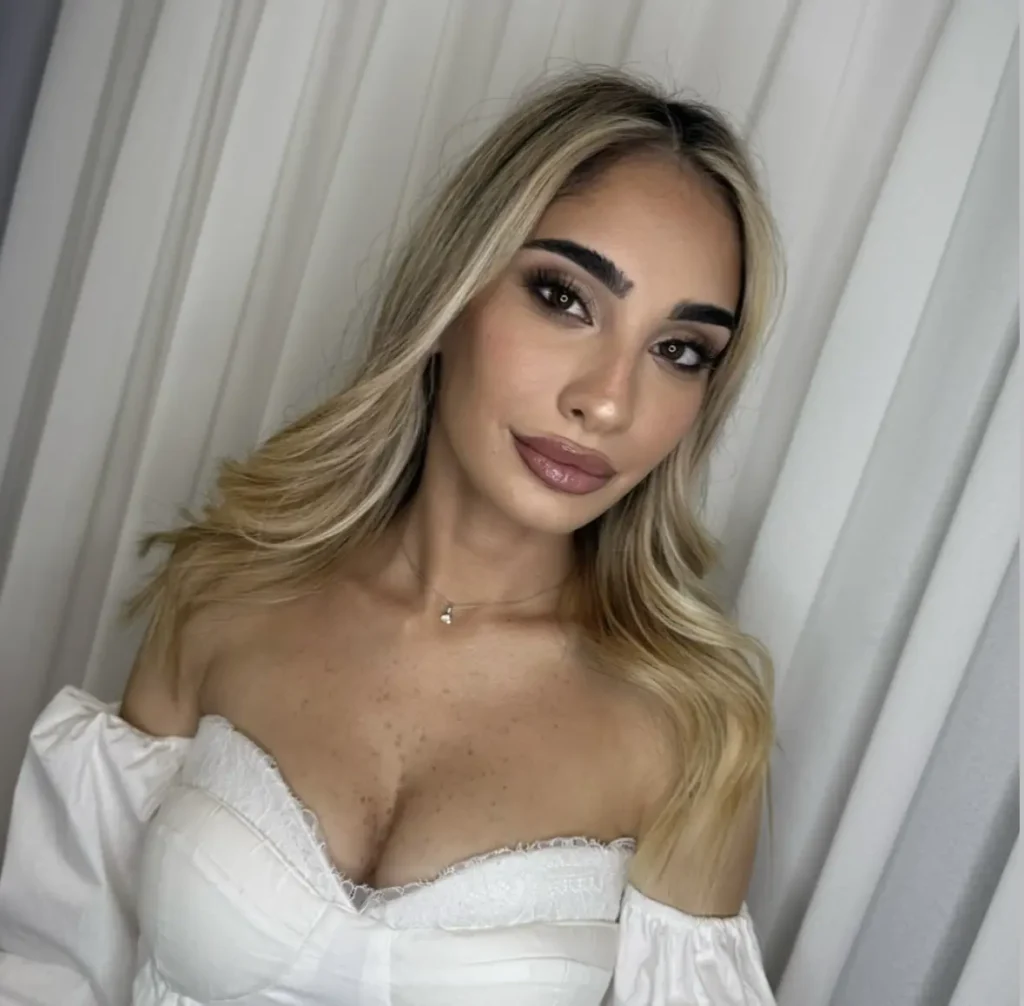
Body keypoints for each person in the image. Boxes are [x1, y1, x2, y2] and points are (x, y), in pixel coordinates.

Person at [0, 66, 782, 1005]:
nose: (608, 401)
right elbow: (57, 964)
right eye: (564, 298)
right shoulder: (226, 592)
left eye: (679, 351)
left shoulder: (693, 731)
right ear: (454, 296)